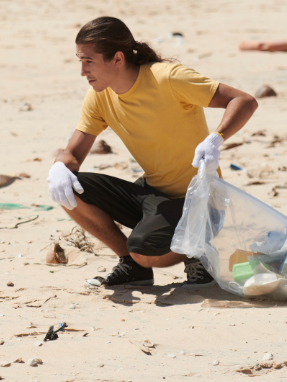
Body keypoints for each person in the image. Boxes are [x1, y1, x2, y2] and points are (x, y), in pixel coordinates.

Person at [49, 17, 258, 288]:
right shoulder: (100, 96)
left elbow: (244, 100)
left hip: (199, 201)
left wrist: (216, 139)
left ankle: (198, 250)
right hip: (153, 195)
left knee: (144, 250)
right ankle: (132, 266)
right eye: (80, 60)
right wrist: (59, 166)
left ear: (118, 58)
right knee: (69, 189)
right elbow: (73, 153)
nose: (82, 71)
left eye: (88, 61)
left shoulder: (168, 78)